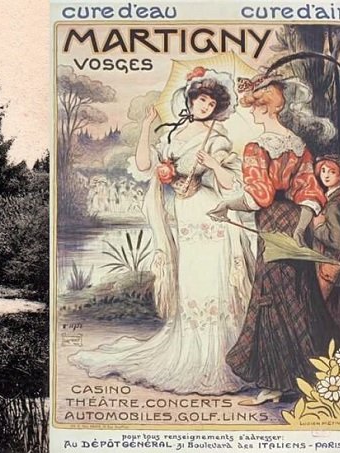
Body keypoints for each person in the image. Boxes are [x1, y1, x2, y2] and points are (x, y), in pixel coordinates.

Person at [70, 67, 256, 395]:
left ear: (217, 107)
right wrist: (147, 131)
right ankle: (191, 352)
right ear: (191, 100)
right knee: (192, 280)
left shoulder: (219, 138)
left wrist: (211, 167)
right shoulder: (172, 133)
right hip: (183, 215)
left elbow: (231, 184)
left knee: (214, 280)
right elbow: (145, 166)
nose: (203, 107)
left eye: (210, 103)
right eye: (200, 100)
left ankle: (222, 358)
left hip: (211, 213)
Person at [208, 72, 340, 405]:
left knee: (270, 297)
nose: (252, 114)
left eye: (255, 108)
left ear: (267, 108)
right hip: (292, 223)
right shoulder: (300, 146)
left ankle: (276, 382)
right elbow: (309, 193)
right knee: (300, 295)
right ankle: (311, 376)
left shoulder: (257, 148)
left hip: (270, 222)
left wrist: (226, 204)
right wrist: (300, 228)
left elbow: (258, 196)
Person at [312, 154, 340, 340]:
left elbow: (337, 241)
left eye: (332, 171)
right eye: (323, 171)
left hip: (333, 270)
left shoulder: (334, 204)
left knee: (335, 318)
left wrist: (318, 226)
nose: (326, 175)